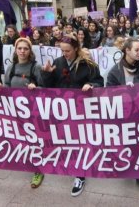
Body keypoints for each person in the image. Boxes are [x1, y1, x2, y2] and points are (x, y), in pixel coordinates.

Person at [42, 34, 104, 197]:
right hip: (63, 109)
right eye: (62, 51)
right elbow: (49, 86)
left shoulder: (88, 65)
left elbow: (99, 82)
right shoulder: (58, 63)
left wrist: (90, 84)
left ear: (76, 49)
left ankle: (80, 174)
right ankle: (72, 164)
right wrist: (47, 73)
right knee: (67, 140)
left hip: (81, 110)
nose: (64, 54)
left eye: (67, 51)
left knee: (80, 141)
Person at [0, 38, 45, 188]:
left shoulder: (36, 67)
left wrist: (36, 88)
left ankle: (38, 169)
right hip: (16, 109)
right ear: (15, 50)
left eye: (25, 48)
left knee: (34, 139)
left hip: (33, 110)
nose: (22, 51)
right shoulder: (11, 67)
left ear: (30, 51)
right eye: (20, 48)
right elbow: (7, 85)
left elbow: (45, 88)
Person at [106, 38, 139, 187]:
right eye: (136, 50)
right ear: (127, 51)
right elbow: (109, 94)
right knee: (126, 143)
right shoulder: (114, 72)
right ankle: (126, 165)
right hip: (123, 114)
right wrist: (124, 92)